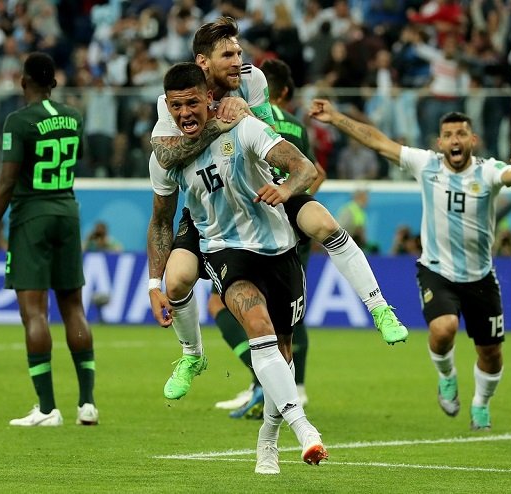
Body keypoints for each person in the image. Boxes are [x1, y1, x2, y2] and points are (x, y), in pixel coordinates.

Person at [148, 16, 407, 410]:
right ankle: (191, 355)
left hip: (262, 185)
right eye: (228, 54)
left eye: (239, 52)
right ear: (203, 62)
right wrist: (218, 124)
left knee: (323, 223)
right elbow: (166, 156)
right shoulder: (177, 96)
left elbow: (270, 139)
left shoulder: (252, 81)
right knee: (177, 279)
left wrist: (257, 138)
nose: (239, 61)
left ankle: (379, 307)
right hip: (209, 203)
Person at [309, 100, 511, 431]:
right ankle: (447, 377)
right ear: (440, 142)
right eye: (448, 134)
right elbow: (377, 141)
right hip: (436, 270)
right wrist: (336, 118)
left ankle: (481, 404)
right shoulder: (426, 165)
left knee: (491, 354)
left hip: (480, 277)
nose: (455, 140)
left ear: (472, 141)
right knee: (443, 329)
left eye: (461, 133)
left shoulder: (487, 171)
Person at [149, 62, 327, 474]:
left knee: (281, 353)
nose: (184, 114)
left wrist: (284, 190)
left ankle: (268, 441)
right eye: (175, 107)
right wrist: (153, 282)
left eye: (192, 103)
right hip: (223, 250)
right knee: (254, 322)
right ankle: (305, 430)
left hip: (276, 246)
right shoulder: (168, 155)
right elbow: (161, 220)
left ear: (208, 99)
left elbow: (304, 167)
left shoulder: (242, 125)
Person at [0, 52, 98, 427]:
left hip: (32, 216)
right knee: (73, 307)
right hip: (67, 210)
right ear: (55, 82)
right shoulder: (74, 116)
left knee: (34, 312)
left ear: (22, 80)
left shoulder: (18, 121)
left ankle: (47, 409)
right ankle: (87, 404)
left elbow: (7, 180)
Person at [213, 58, 327, 417]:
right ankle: (292, 385)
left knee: (226, 306)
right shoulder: (294, 124)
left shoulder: (237, 120)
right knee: (290, 314)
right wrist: (293, 201)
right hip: (291, 223)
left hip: (249, 225)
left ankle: (264, 379)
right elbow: (313, 172)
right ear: (286, 92)